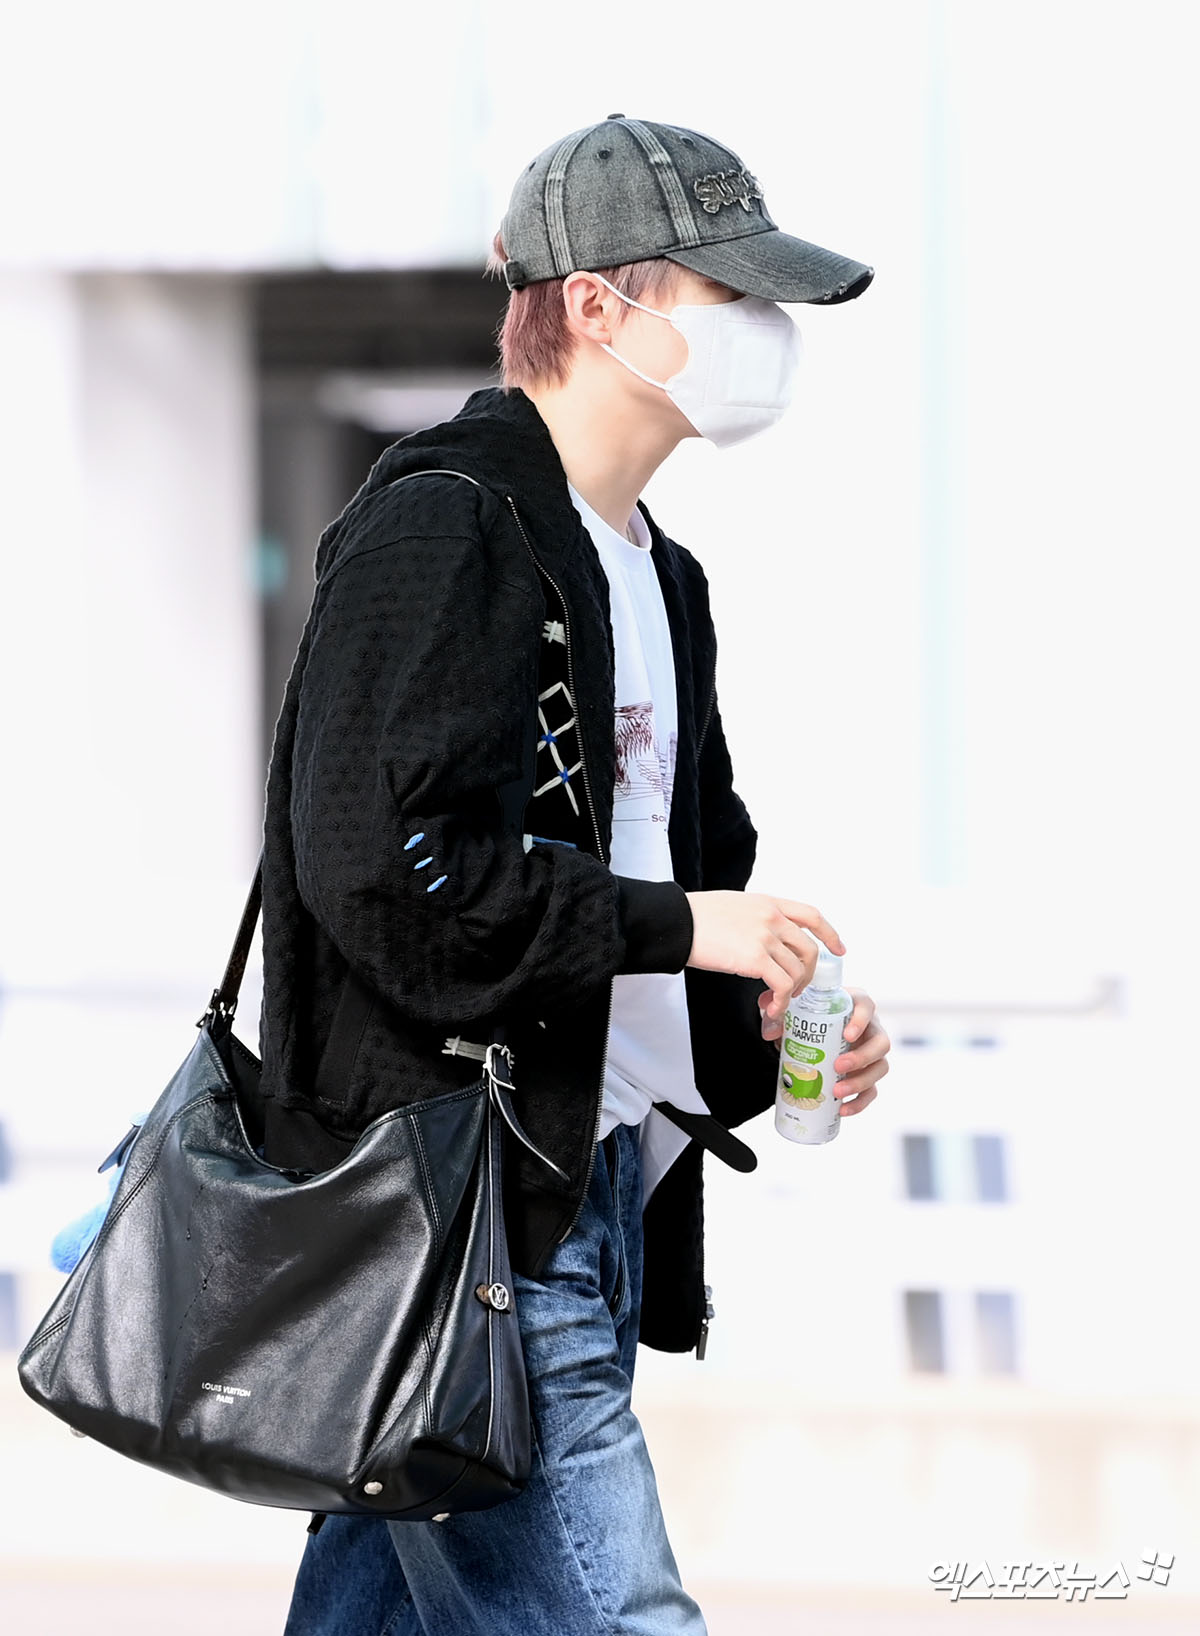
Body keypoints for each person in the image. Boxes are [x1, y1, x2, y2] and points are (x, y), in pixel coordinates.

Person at [264, 113, 892, 1636]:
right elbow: (384, 873)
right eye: (731, 294)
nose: (766, 331)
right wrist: (686, 924)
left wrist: (768, 1015)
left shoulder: (658, 573)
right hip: (473, 1213)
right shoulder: (443, 526)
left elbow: (682, 875)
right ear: (600, 306)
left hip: (592, 1183)